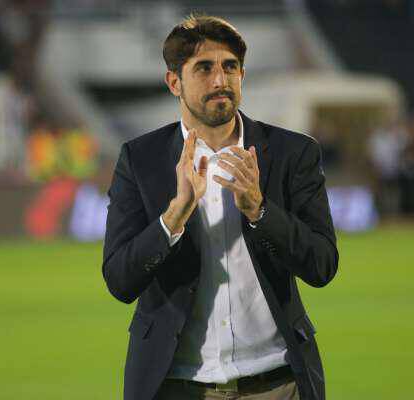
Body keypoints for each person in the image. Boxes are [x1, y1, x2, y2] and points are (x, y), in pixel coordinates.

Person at [102, 14, 339, 400]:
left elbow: (322, 265)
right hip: (177, 386)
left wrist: (261, 212)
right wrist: (173, 216)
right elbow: (120, 279)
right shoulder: (140, 160)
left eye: (230, 67)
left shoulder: (292, 153)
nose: (220, 81)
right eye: (204, 68)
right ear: (173, 81)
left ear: (242, 74)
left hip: (278, 383)